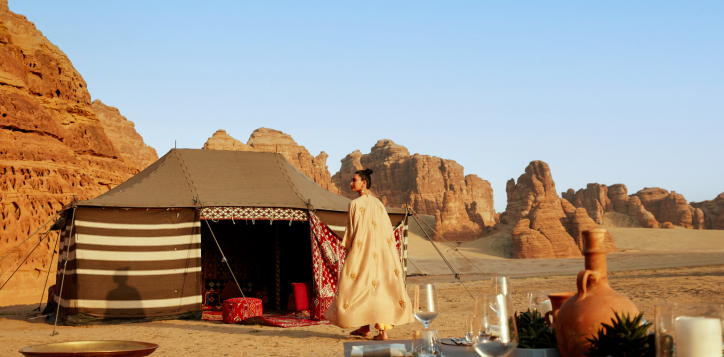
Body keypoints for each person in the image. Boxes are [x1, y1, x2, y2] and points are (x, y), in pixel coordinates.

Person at [325, 169, 414, 340]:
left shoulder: (355, 204)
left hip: (361, 253)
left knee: (358, 286)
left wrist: (349, 249)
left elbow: (351, 233)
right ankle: (370, 329)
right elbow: (387, 232)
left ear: (363, 182)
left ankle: (374, 329)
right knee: (380, 288)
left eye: (354, 180)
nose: (351, 183)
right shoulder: (379, 204)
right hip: (382, 255)